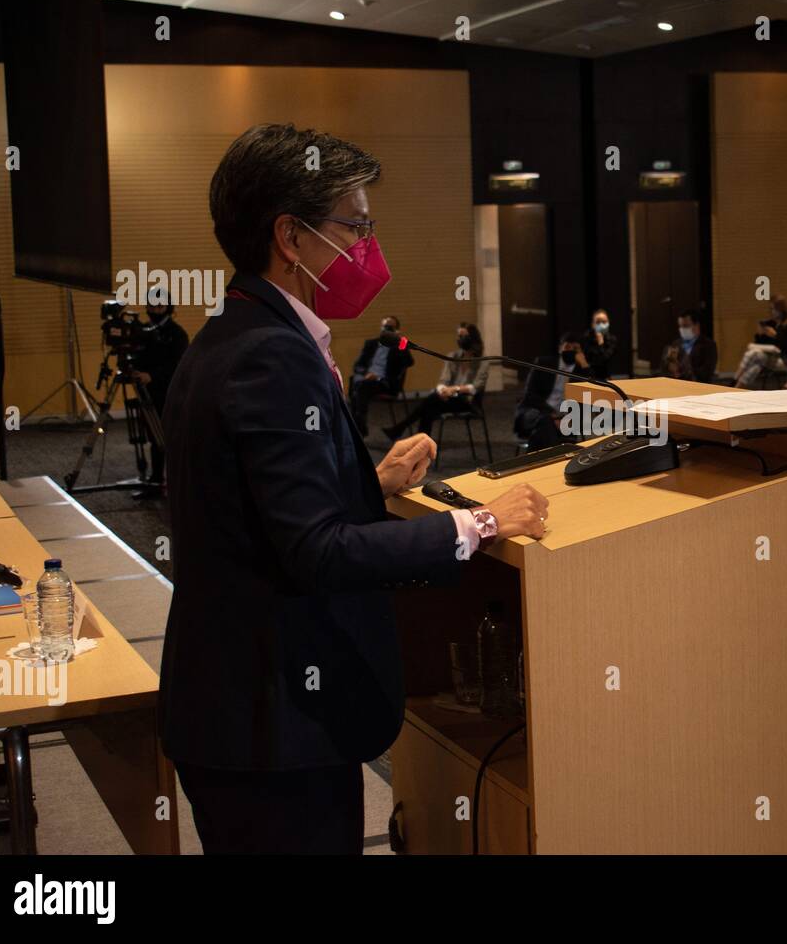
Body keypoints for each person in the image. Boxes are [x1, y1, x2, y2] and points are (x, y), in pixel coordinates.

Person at [160, 123, 548, 854]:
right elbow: (315, 552)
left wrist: (364, 479)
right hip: (271, 725)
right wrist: (481, 526)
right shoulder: (272, 355)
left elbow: (252, 508)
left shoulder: (234, 327)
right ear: (292, 237)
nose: (368, 246)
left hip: (240, 711)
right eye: (356, 225)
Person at [130, 287, 189, 498]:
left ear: (168, 307)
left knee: (164, 438)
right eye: (151, 306)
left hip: (169, 393)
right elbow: (138, 357)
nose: (155, 310)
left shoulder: (177, 334)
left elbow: (178, 365)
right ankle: (155, 479)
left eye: (159, 306)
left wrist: (152, 376)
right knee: (152, 438)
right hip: (148, 394)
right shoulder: (144, 332)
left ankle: (170, 481)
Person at [385, 322, 488, 439]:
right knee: (429, 409)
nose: (460, 339)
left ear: (473, 338)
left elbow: (476, 387)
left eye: (463, 336)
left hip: (468, 402)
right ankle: (418, 442)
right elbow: (443, 380)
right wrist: (442, 390)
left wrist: (454, 389)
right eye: (458, 336)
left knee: (430, 403)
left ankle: (403, 431)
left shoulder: (483, 360)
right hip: (448, 398)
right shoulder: (452, 356)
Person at [515, 331, 588, 450]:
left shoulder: (580, 371)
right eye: (567, 347)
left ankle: (535, 461)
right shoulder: (543, 364)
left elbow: (592, 392)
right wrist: (553, 415)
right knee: (546, 423)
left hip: (566, 418)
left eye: (575, 348)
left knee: (542, 432)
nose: (571, 350)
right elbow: (530, 394)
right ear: (560, 348)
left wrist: (585, 364)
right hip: (536, 411)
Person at [349, 315, 413, 438]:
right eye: (385, 326)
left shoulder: (399, 347)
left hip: (384, 382)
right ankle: (359, 423)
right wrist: (366, 374)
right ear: (381, 328)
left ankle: (358, 424)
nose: (387, 330)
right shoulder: (371, 343)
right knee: (356, 381)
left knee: (358, 386)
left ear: (396, 330)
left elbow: (409, 362)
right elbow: (358, 365)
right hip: (366, 379)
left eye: (391, 327)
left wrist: (401, 342)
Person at [662, 307, 717, 383]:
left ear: (697, 325)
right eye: (680, 326)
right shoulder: (676, 344)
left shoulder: (708, 345)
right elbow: (666, 368)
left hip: (699, 387)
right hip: (676, 386)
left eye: (686, 326)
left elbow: (706, 373)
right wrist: (669, 366)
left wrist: (683, 369)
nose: (682, 329)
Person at [580, 309, 617, 381]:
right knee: (586, 392)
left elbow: (605, 359)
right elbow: (588, 359)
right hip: (588, 378)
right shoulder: (586, 338)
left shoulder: (612, 339)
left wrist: (600, 343)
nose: (601, 325)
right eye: (598, 322)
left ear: (608, 323)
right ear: (592, 324)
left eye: (604, 322)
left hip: (606, 378)